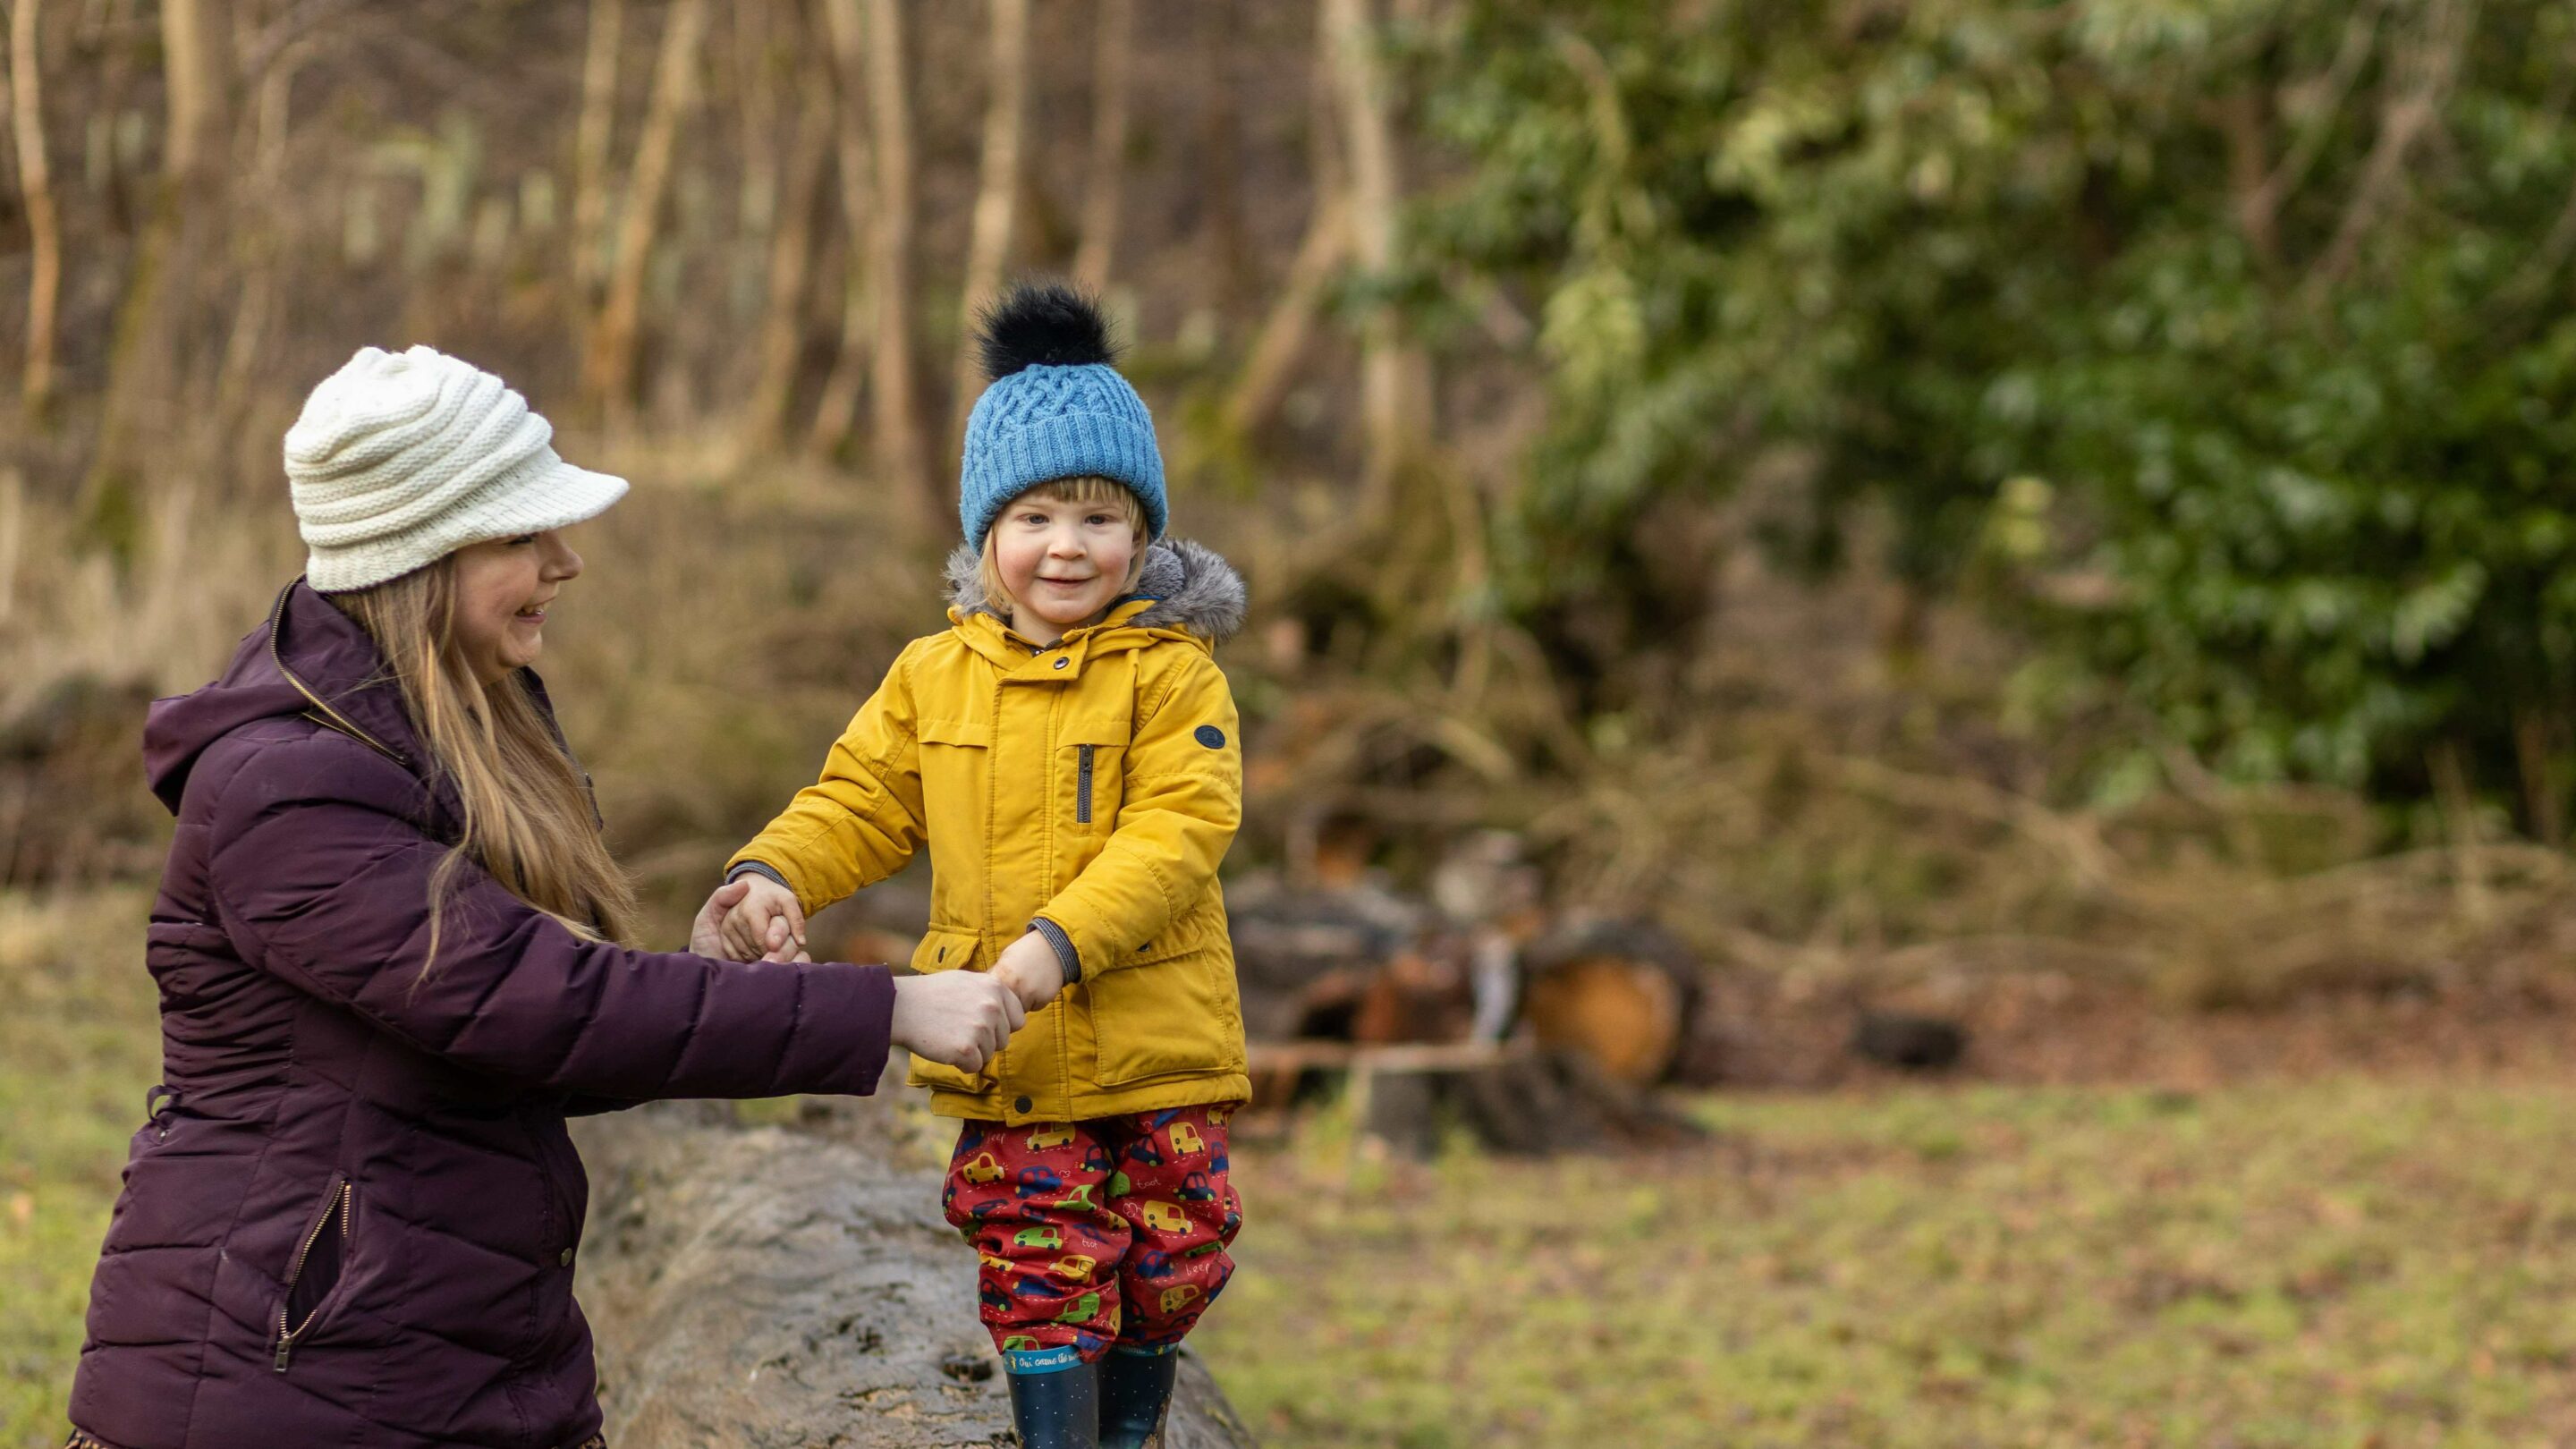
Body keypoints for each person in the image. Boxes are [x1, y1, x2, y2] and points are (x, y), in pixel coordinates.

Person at [63, 345, 1025, 1449]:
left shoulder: (465, 735)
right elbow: (542, 1005)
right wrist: (890, 1009)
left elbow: (531, 1039)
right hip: (277, 1390)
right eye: (522, 534)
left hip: (453, 1362)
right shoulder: (282, 791)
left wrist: (703, 975)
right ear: (418, 554)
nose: (566, 561)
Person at [705, 284, 1250, 1449]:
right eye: (1039, 516)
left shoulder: (1176, 675)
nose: (1068, 546)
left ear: (1142, 536)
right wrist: (775, 875)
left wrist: (1058, 945)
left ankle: (1136, 1425)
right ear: (985, 532)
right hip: (1009, 1048)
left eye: (1101, 519)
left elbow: (1178, 829)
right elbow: (859, 798)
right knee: (1041, 1265)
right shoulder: (930, 678)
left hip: (1159, 1044)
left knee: (1178, 1253)